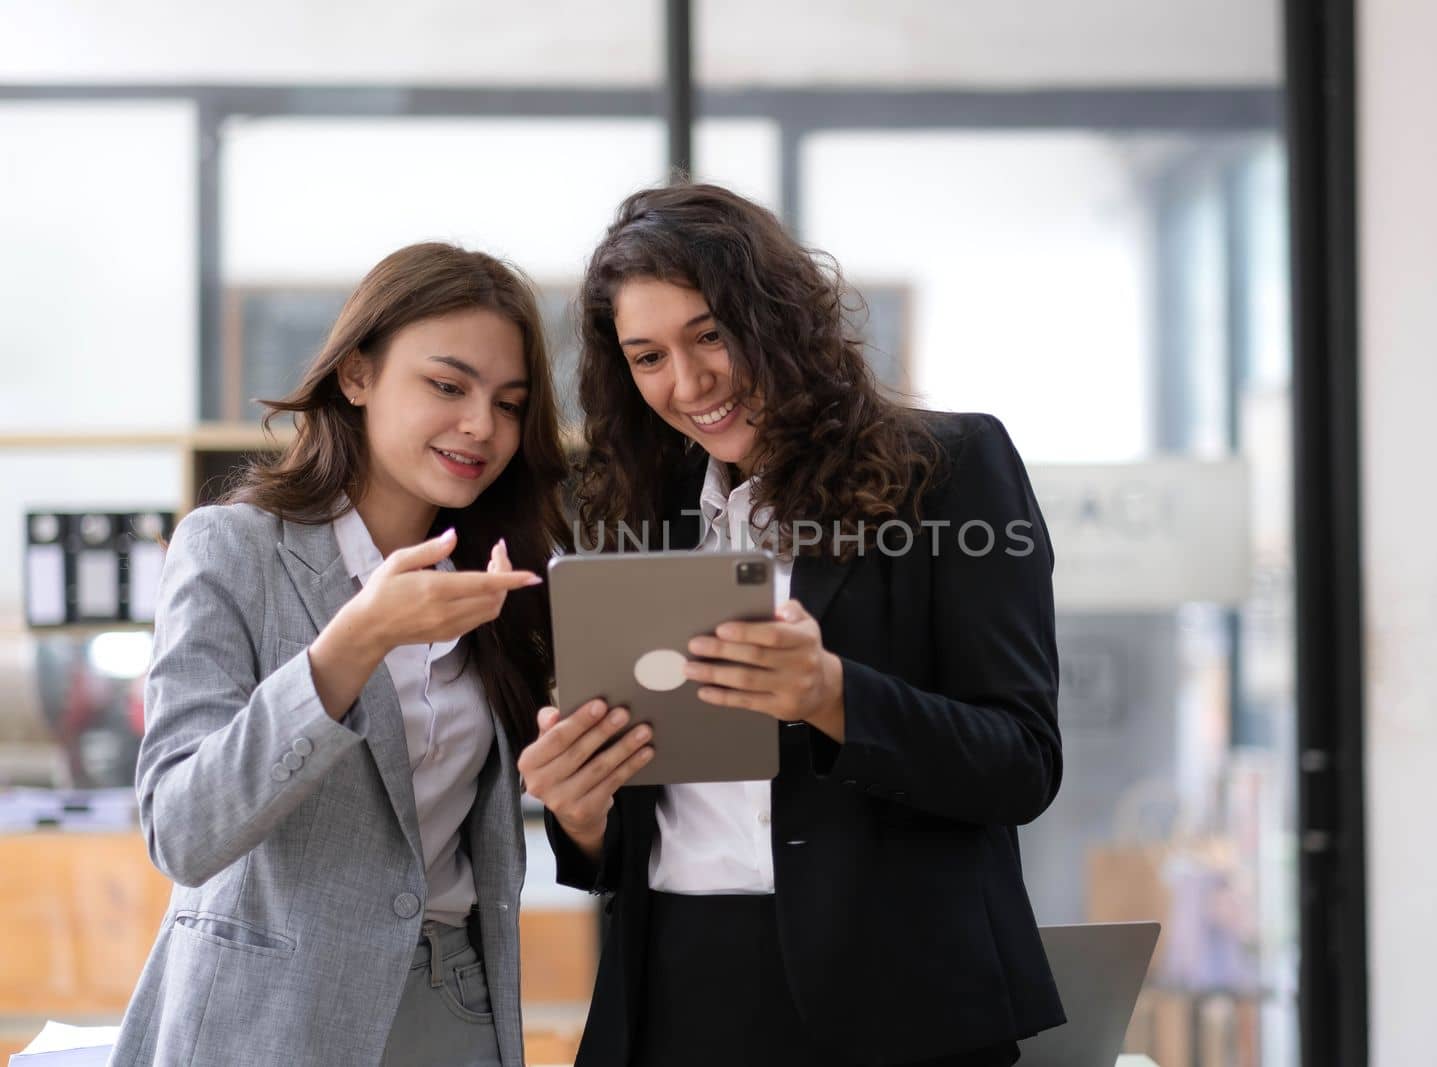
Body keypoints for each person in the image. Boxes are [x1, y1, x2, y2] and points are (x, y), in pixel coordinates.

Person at [518, 184, 1066, 1067]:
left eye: (709, 334)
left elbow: (1022, 763)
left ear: (779, 317)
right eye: (647, 356)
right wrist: (579, 814)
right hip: (675, 994)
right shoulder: (644, 511)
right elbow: (644, 827)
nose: (689, 383)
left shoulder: (950, 470)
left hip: (892, 1000)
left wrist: (832, 695)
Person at [111, 243, 568, 1067]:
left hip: (453, 1006)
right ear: (357, 376)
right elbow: (182, 826)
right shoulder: (233, 549)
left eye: (509, 403)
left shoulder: (499, 584)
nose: (481, 426)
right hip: (266, 1021)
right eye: (447, 385)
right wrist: (355, 642)